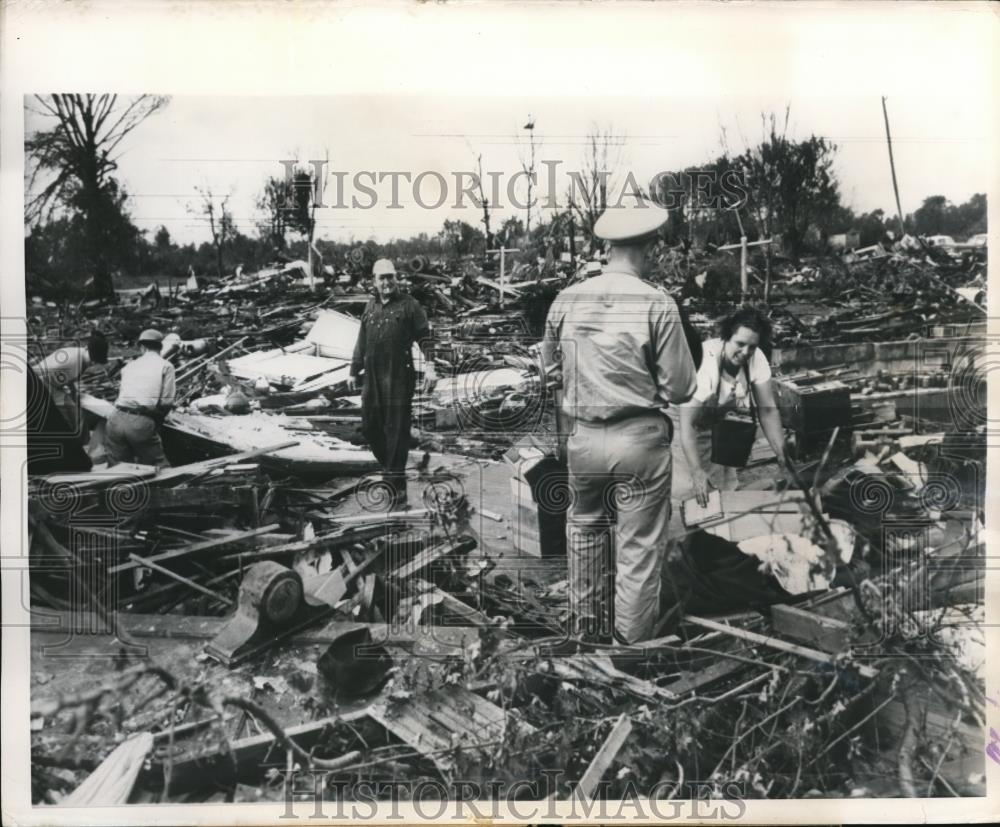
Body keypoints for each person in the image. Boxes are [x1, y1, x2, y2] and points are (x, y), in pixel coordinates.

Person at [541, 201, 698, 645]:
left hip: (584, 439)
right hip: (638, 439)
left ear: (608, 247)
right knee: (637, 550)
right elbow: (682, 387)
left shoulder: (567, 298)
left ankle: (585, 635)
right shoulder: (657, 303)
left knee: (585, 535)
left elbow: (547, 369)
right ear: (649, 248)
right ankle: (628, 652)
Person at [677, 307, 789, 507]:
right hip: (683, 422)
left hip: (715, 423)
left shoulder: (757, 358)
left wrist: (781, 453)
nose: (745, 352)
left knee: (723, 491)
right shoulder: (706, 362)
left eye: (752, 346)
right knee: (691, 493)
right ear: (727, 337)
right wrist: (696, 470)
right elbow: (687, 425)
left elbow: (768, 410)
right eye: (740, 344)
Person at [349, 259, 436, 509]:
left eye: (390, 277)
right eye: (382, 278)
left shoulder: (409, 305)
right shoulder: (371, 305)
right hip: (373, 377)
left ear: (396, 278)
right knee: (370, 427)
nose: (386, 282)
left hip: (399, 375)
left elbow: (425, 337)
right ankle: (391, 470)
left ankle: (396, 489)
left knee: (397, 432)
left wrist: (430, 366)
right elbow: (361, 342)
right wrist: (354, 370)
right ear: (374, 282)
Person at [105, 328, 176, 468]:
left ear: (142, 347)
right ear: (161, 347)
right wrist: (157, 422)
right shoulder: (166, 366)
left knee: (118, 469)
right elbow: (167, 402)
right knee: (159, 467)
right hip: (140, 422)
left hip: (115, 419)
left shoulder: (129, 366)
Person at [31, 331, 109, 437]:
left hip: (56, 386)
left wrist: (74, 394)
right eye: (93, 359)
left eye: (96, 361)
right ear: (86, 348)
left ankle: (82, 443)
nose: (93, 363)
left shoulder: (84, 360)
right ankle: (68, 441)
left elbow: (70, 379)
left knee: (77, 414)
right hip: (43, 385)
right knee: (64, 419)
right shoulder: (70, 359)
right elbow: (36, 371)